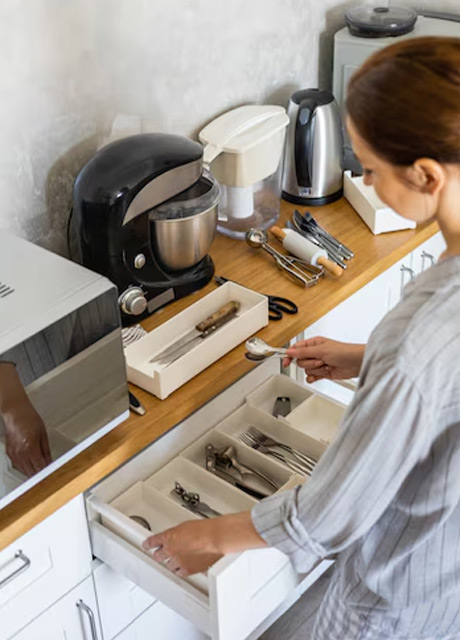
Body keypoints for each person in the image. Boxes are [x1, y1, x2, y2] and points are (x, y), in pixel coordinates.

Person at [143, 36, 460, 639]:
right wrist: (366, 359)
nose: (362, 179)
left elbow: (329, 515)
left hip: (396, 604)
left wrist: (207, 535)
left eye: (368, 167)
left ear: (424, 174)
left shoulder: (418, 335)